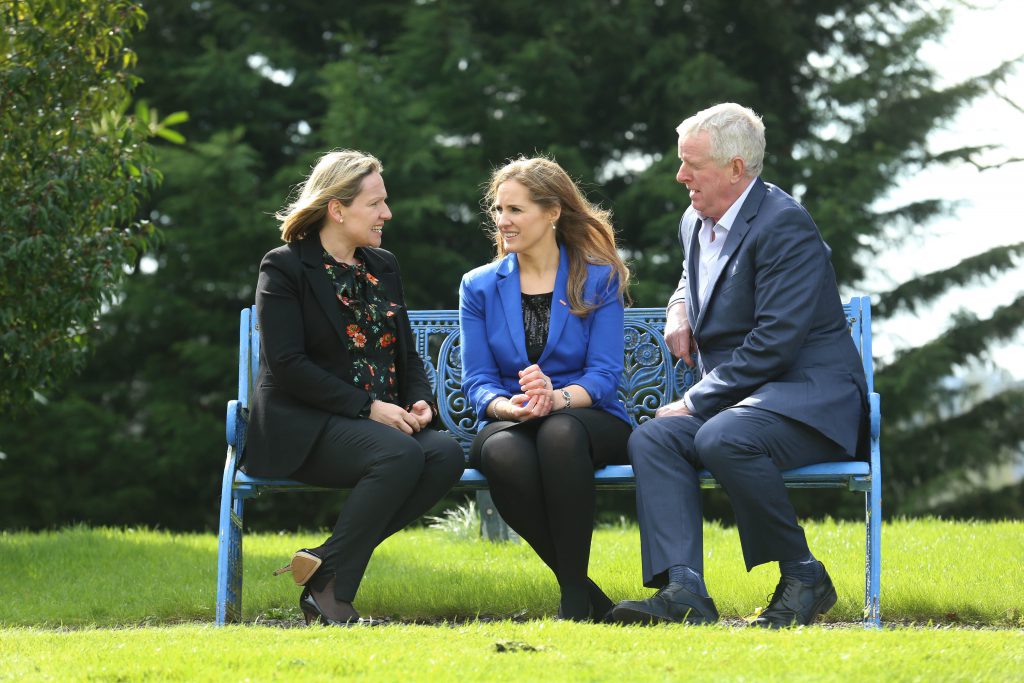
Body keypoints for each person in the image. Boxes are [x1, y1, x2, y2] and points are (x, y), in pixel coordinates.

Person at [610, 103, 868, 628]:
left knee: (720, 437)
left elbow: (775, 342)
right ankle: (684, 589)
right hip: (742, 401)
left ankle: (804, 576)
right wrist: (678, 306)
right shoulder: (695, 218)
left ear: (734, 168)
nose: (680, 176)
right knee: (652, 439)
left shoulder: (785, 226)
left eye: (692, 165)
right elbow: (693, 275)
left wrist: (694, 400)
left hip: (809, 399)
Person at [245, 149, 464, 625]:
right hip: (304, 425)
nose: (387, 213)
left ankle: (326, 565)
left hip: (375, 424)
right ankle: (334, 595)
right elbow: (286, 365)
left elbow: (405, 353)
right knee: (401, 455)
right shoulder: (283, 267)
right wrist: (368, 408)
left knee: (445, 453)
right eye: (375, 203)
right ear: (337, 208)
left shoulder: (382, 265)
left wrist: (419, 400)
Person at [459, 156, 632, 622]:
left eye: (515, 210)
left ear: (552, 211)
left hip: (587, 416)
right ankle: (580, 589)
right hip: (511, 417)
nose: (502, 221)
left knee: (560, 434)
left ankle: (574, 600)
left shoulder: (598, 276)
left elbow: (604, 374)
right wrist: (505, 405)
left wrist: (556, 398)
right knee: (501, 455)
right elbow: (476, 379)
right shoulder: (478, 286)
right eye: (498, 210)